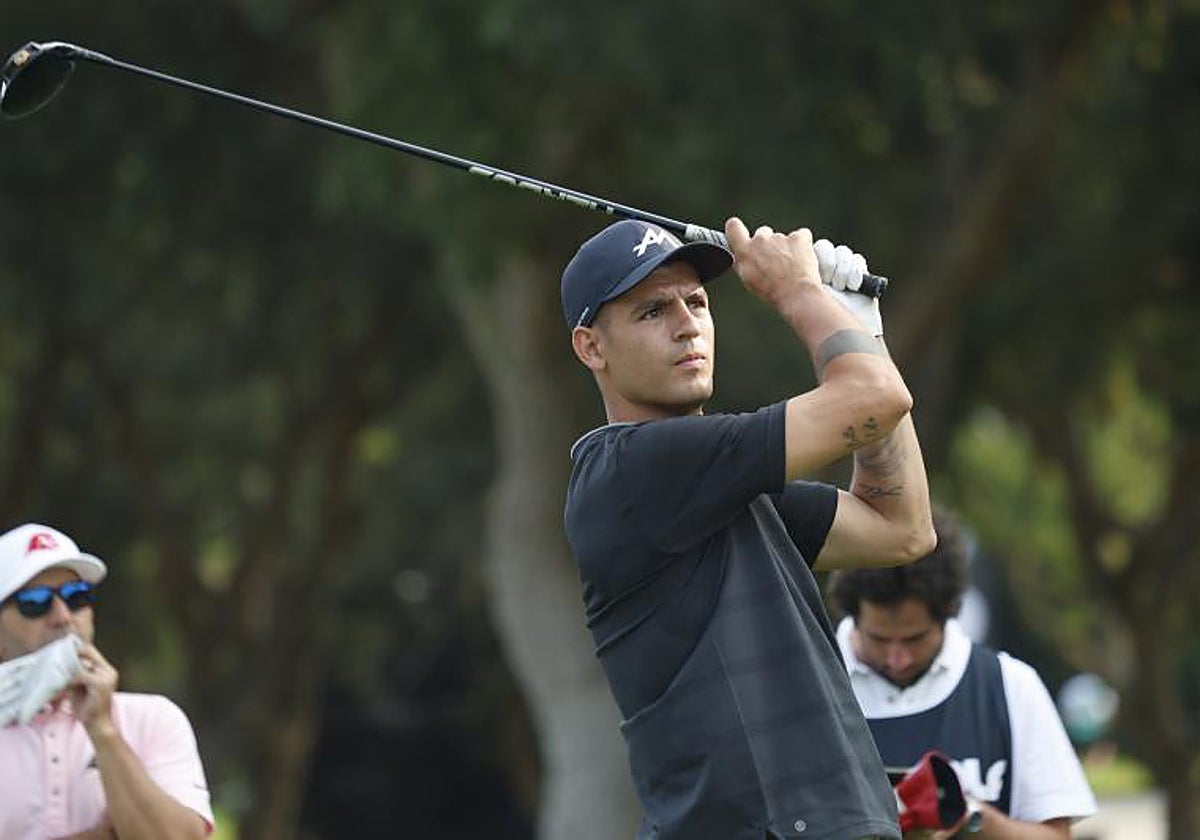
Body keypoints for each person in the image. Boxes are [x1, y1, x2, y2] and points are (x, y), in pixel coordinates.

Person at [561, 217, 936, 840]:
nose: (686, 325)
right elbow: (875, 398)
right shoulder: (633, 471)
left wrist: (865, 332)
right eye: (652, 312)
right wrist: (800, 293)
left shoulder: (724, 492)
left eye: (698, 302)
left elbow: (901, 529)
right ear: (592, 348)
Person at [826, 507, 1098, 838]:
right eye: (879, 639)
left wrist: (973, 818)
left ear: (948, 613)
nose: (897, 658)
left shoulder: (1009, 685)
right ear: (852, 615)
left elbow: (1055, 835)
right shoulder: (812, 685)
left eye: (915, 638)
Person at [0, 522, 215, 839]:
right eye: (35, 602)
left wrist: (103, 729)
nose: (63, 616)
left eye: (76, 597)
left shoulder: (153, 719)